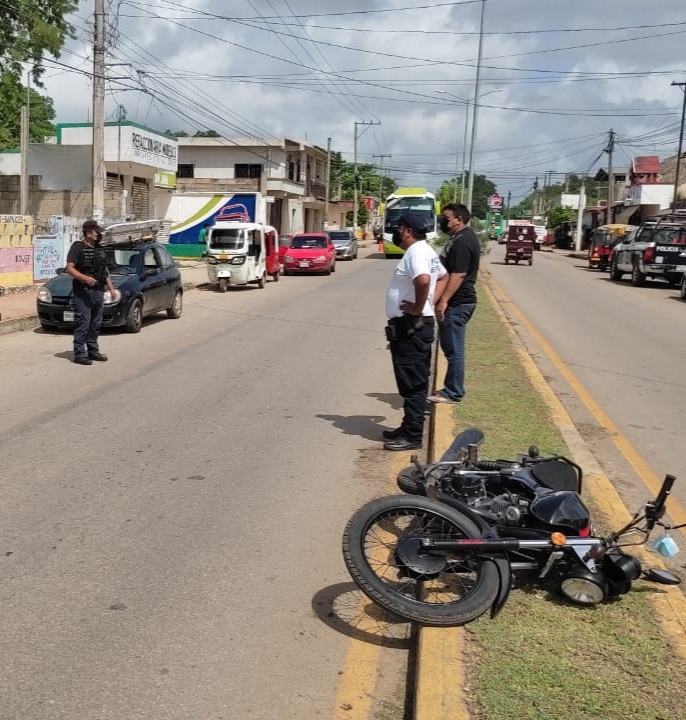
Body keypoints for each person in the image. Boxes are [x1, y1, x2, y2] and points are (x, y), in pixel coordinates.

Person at [383, 213, 447, 451]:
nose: (397, 232)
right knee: (410, 380)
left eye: (399, 228)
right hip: (410, 325)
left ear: (407, 230)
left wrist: (420, 307)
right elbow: (443, 276)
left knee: (413, 383)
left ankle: (412, 435)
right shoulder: (425, 250)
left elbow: (422, 280)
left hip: (413, 326)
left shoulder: (416, 252)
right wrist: (430, 301)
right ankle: (408, 425)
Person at [430, 203, 480, 404]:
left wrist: (443, 300)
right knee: (451, 350)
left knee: (454, 350)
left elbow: (458, 275)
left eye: (446, 217)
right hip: (456, 302)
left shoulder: (463, 241)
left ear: (458, 219)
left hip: (458, 302)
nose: (443, 221)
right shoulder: (457, 238)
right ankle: (451, 388)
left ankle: (453, 391)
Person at [65, 220, 116, 365]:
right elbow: (70, 268)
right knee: (84, 323)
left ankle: (93, 351)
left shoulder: (99, 249)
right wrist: (85, 278)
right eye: (96, 232)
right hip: (83, 292)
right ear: (88, 234)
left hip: (98, 291)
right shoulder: (78, 248)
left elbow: (104, 271)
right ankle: (80, 354)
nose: (99, 235)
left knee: (96, 323)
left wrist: (111, 288)